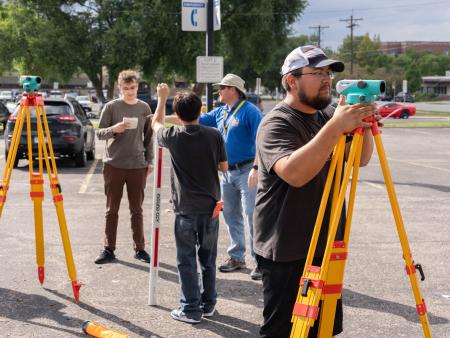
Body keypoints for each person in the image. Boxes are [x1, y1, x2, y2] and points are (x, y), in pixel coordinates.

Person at [253, 45, 379, 337]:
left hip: (325, 244)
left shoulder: (327, 117)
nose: (327, 79)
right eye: (317, 73)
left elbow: (360, 158)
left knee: (323, 330)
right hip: (287, 249)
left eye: (328, 73)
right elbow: (295, 174)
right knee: (285, 332)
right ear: (291, 81)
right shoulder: (276, 122)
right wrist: (337, 126)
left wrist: (365, 125)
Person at [152, 85, 228, 323]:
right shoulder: (214, 134)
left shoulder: (173, 136)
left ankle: (190, 309)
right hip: (211, 207)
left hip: (185, 209)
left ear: (178, 113)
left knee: (186, 260)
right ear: (200, 110)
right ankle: (208, 304)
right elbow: (224, 167)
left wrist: (162, 98)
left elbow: (156, 124)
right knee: (208, 259)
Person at [199, 74, 263, 280]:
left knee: (252, 215)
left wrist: (256, 167)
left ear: (233, 90)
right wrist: (161, 116)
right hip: (226, 172)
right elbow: (195, 119)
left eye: (222, 88)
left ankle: (260, 262)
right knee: (231, 215)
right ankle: (237, 256)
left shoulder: (250, 111)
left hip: (247, 170)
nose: (218, 91)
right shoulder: (221, 111)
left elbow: (262, 139)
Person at [94, 69, 154, 264]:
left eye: (133, 87)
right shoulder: (111, 107)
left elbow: (149, 137)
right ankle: (108, 249)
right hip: (114, 164)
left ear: (137, 87)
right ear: (119, 87)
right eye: (126, 88)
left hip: (137, 164)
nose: (130, 91)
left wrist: (149, 160)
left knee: (137, 209)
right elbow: (99, 133)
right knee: (112, 209)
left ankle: (140, 249)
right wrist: (114, 129)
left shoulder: (144, 107)